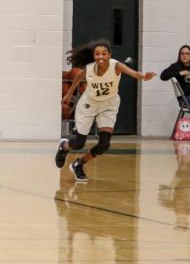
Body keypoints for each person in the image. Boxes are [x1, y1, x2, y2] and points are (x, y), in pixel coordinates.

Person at [56, 39, 155, 182]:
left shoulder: (116, 66)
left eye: (104, 53)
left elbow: (134, 73)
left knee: (104, 145)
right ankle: (64, 146)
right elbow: (78, 77)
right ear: (94, 56)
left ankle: (79, 164)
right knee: (78, 143)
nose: (100, 57)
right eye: (97, 54)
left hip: (109, 104)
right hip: (89, 103)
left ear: (110, 54)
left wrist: (144, 76)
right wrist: (69, 94)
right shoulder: (89, 68)